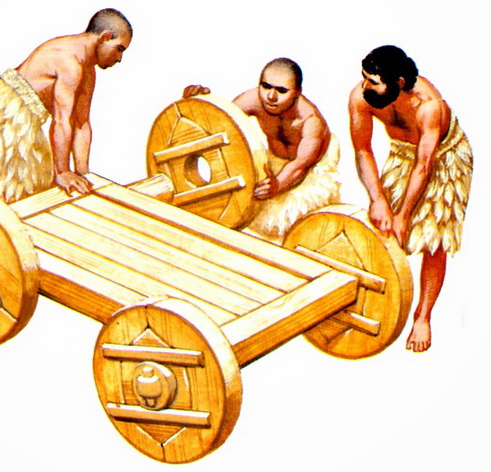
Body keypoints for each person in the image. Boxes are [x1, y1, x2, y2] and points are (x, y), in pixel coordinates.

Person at [348, 45, 473, 352]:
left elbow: (424, 165)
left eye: (373, 81)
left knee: (434, 238)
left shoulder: (429, 106)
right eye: (364, 77)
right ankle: (379, 300)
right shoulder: (360, 97)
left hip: (443, 156)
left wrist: (404, 215)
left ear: (399, 83)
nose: (364, 86)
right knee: (382, 227)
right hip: (404, 154)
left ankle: (423, 316)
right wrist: (377, 200)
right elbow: (363, 149)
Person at [0, 8, 132, 203]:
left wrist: (84, 175)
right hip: (3, 115)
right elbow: (62, 121)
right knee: (21, 188)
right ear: (105, 37)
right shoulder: (70, 62)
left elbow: (81, 123)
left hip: (25, 119)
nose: (119, 59)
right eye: (119, 49)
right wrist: (63, 172)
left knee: (45, 182)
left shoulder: (88, 72)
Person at [183, 58, 340, 244]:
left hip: (310, 171)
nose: (271, 96)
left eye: (281, 90)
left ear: (297, 92)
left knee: (299, 232)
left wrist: (277, 185)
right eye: (266, 86)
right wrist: (197, 104)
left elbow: (299, 166)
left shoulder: (311, 121)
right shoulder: (252, 100)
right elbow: (221, 125)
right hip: (274, 161)